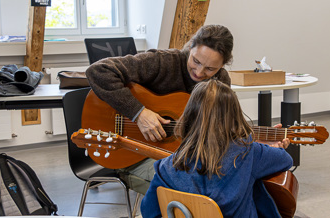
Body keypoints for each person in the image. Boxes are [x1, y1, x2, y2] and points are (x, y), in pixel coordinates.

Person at [86, 24, 234, 194]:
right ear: (190, 47)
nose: (199, 73)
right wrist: (138, 113)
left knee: (225, 180)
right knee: (186, 188)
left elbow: (224, 125)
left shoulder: (220, 81)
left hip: (182, 156)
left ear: (222, 66)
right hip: (132, 152)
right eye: (196, 61)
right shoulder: (163, 61)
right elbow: (98, 71)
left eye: (210, 68)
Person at [140, 80, 293, 217]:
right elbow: (285, 160)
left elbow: (148, 212)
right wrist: (263, 146)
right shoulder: (250, 153)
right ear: (235, 118)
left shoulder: (165, 168)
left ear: (188, 118)